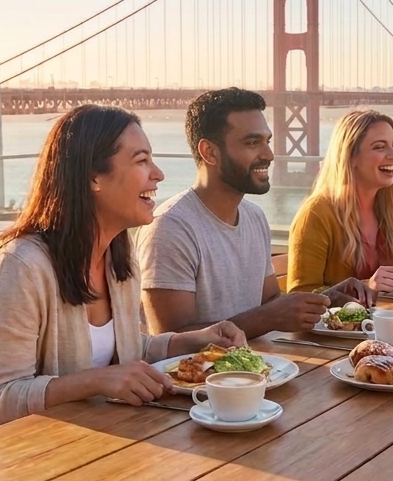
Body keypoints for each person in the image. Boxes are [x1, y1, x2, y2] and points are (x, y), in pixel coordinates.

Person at [0, 105, 246, 444]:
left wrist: (191, 341)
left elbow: (125, 350)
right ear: (92, 177)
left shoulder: (119, 252)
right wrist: (98, 380)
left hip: (77, 444)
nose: (157, 174)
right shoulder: (19, 267)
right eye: (142, 161)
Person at [138, 88, 369, 339]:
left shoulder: (254, 217)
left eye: (267, 141)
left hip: (263, 369)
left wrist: (323, 300)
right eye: (252, 143)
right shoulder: (171, 228)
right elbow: (170, 338)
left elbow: (270, 301)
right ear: (209, 152)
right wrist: (268, 318)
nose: (268, 155)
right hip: (202, 378)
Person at [286, 109, 393, 297]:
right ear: (350, 157)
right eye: (380, 147)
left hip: (379, 321)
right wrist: (367, 286)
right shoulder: (316, 213)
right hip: (336, 326)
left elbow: (381, 282)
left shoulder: (383, 209)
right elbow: (299, 296)